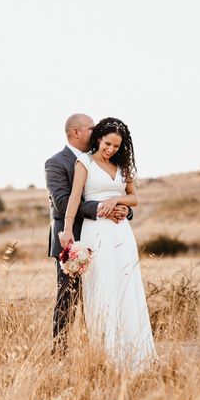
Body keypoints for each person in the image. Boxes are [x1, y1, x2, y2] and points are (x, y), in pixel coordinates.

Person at [59, 117, 156, 372]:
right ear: (99, 139)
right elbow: (73, 199)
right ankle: (107, 357)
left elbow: (134, 197)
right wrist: (67, 230)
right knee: (103, 287)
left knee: (126, 286)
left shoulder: (123, 166)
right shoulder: (85, 163)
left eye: (116, 146)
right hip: (97, 232)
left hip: (121, 234)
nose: (111, 149)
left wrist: (117, 200)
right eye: (107, 143)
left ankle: (136, 356)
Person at [45, 114, 132, 354]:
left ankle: (99, 349)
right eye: (91, 128)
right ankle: (60, 353)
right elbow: (63, 203)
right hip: (71, 241)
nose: (96, 132)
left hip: (104, 238)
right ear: (75, 132)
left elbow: (116, 190)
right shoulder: (56, 163)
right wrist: (103, 210)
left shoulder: (103, 159)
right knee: (68, 300)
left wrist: (123, 209)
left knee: (104, 295)